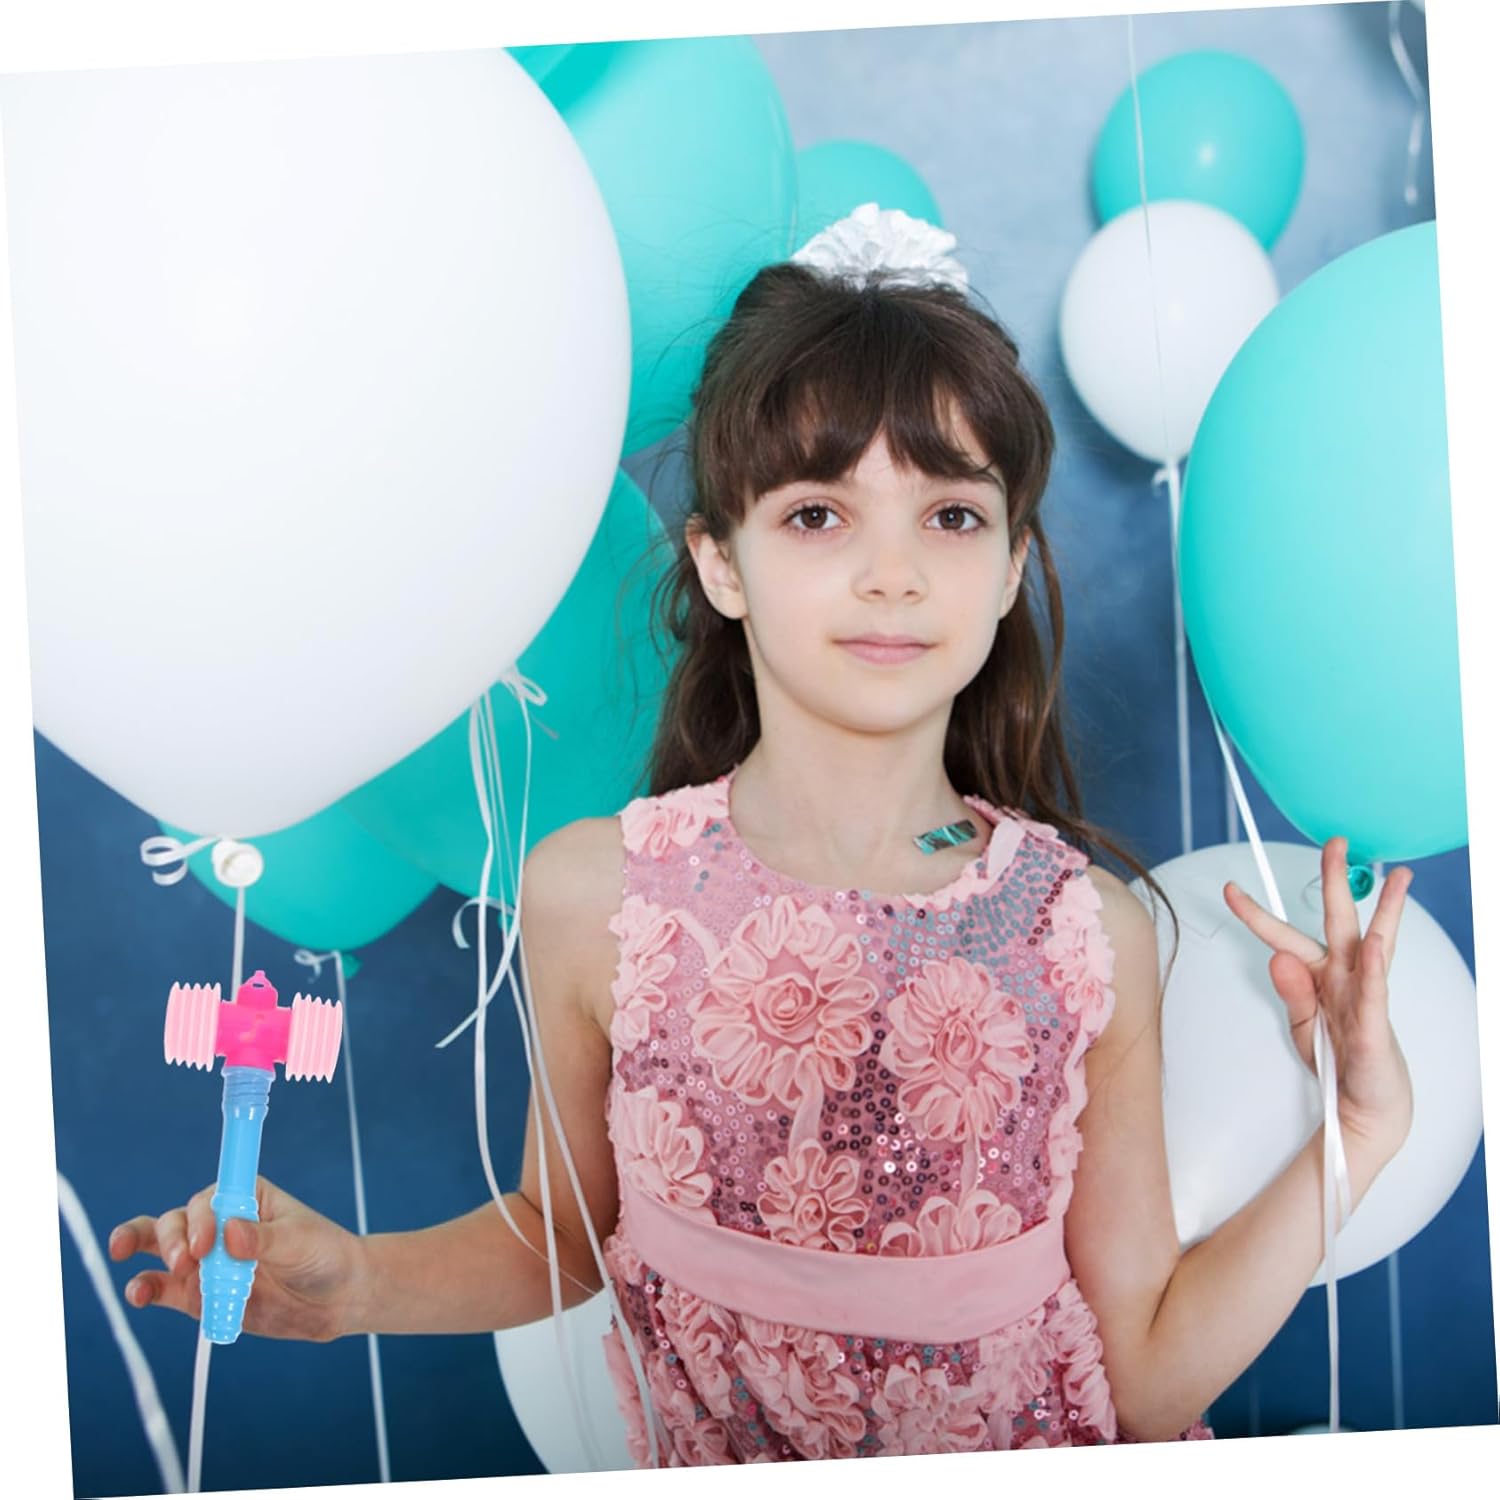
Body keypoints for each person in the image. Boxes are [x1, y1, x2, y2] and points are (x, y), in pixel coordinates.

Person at [109, 204, 1416, 1462]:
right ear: (721, 562)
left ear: (1011, 566)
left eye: (952, 515)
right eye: (818, 514)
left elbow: (1139, 1379)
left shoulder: (1087, 933)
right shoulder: (595, 898)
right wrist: (355, 1283)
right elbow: (562, 1233)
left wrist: (1361, 1130)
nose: (893, 572)